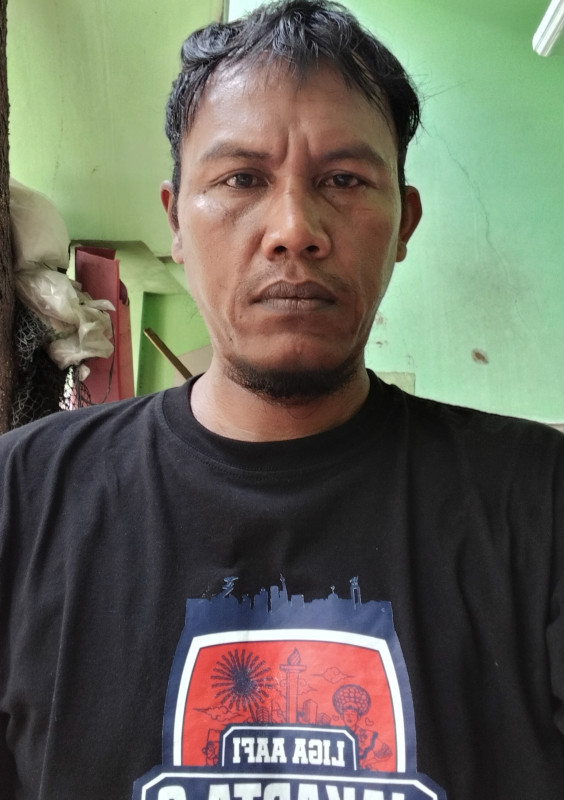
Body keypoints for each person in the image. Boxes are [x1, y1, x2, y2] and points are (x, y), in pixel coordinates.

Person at [1, 2, 563, 798]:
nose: (295, 229)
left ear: (404, 223)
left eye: (343, 180)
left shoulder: (540, 502)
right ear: (176, 223)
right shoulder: (21, 499)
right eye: (242, 179)